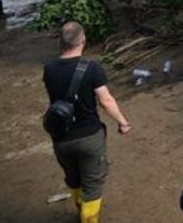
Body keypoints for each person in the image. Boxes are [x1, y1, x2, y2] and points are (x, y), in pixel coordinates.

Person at [43, 21, 132, 223]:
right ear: (83, 40)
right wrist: (123, 122)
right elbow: (106, 101)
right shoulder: (92, 68)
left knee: (73, 179)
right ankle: (88, 218)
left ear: (60, 41)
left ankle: (80, 209)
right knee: (92, 185)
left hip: (61, 136)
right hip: (89, 136)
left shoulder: (49, 68)